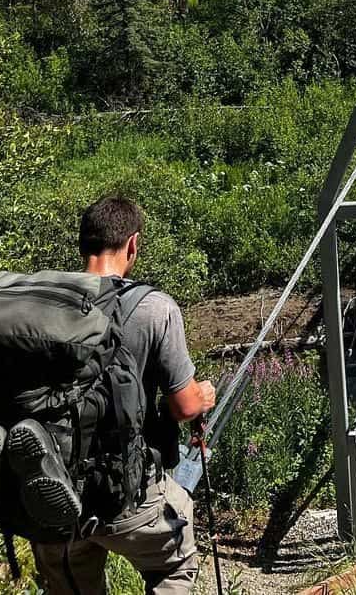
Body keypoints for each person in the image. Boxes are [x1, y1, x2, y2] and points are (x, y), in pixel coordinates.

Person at [28, 197, 216, 595]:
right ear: (132, 244)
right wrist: (204, 396)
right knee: (176, 566)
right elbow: (184, 406)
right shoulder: (154, 308)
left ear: (83, 243)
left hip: (53, 494)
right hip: (126, 496)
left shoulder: (43, 304)